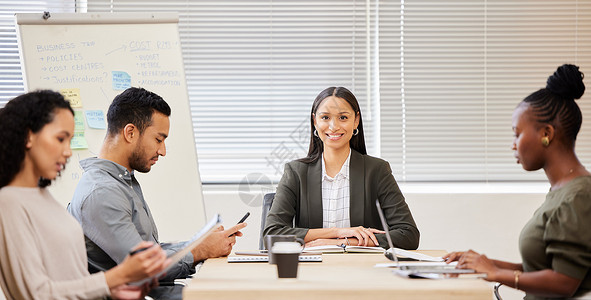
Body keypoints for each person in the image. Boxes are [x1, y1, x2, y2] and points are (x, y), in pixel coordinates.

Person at [67, 87, 246, 300]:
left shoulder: (123, 182)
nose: (162, 151)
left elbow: (148, 251)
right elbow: (141, 269)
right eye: (159, 139)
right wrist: (200, 251)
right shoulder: (102, 192)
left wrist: (199, 245)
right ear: (130, 132)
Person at [0, 90, 170, 300]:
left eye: (69, 140)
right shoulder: (8, 203)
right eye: (60, 138)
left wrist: (112, 290)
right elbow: (36, 294)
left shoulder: (42, 197)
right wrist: (117, 277)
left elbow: (71, 280)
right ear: (28, 136)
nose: (68, 151)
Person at [444, 64, 591, 299]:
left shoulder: (579, 195)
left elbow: (564, 282)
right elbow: (541, 272)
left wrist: (494, 273)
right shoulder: (562, 191)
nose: (513, 144)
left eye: (517, 133)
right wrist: (483, 263)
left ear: (546, 134)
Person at [264, 86, 420, 249]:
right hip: (310, 269)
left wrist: (342, 242)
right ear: (314, 121)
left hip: (361, 269)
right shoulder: (296, 172)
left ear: (356, 121)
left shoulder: (377, 170)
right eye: (325, 117)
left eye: (343, 117)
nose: (333, 126)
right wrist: (337, 232)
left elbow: (408, 234)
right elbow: (271, 235)